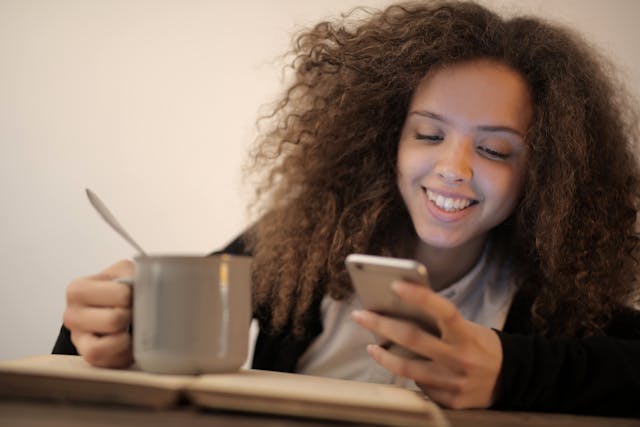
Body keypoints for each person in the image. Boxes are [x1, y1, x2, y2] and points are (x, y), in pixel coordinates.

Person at [54, 0, 640, 417]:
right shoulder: (300, 243)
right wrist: (101, 326)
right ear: (387, 138)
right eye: (428, 135)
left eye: (493, 149)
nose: (453, 169)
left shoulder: (556, 289)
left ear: (544, 173)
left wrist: (511, 371)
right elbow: (153, 320)